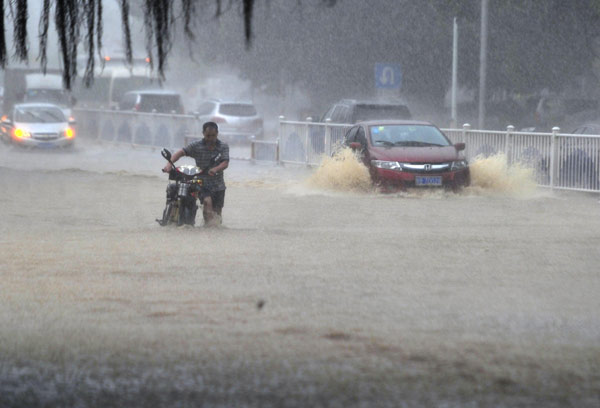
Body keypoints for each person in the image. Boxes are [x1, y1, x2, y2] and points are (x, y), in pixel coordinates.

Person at [162, 122, 229, 226]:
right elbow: (180, 153)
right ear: (203, 133)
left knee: (217, 215)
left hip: (218, 185)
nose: (210, 139)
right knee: (207, 203)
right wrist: (169, 165)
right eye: (208, 136)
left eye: (213, 136)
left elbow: (225, 163)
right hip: (202, 184)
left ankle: (212, 233)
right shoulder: (196, 146)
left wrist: (216, 169)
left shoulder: (223, 147)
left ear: (217, 134)